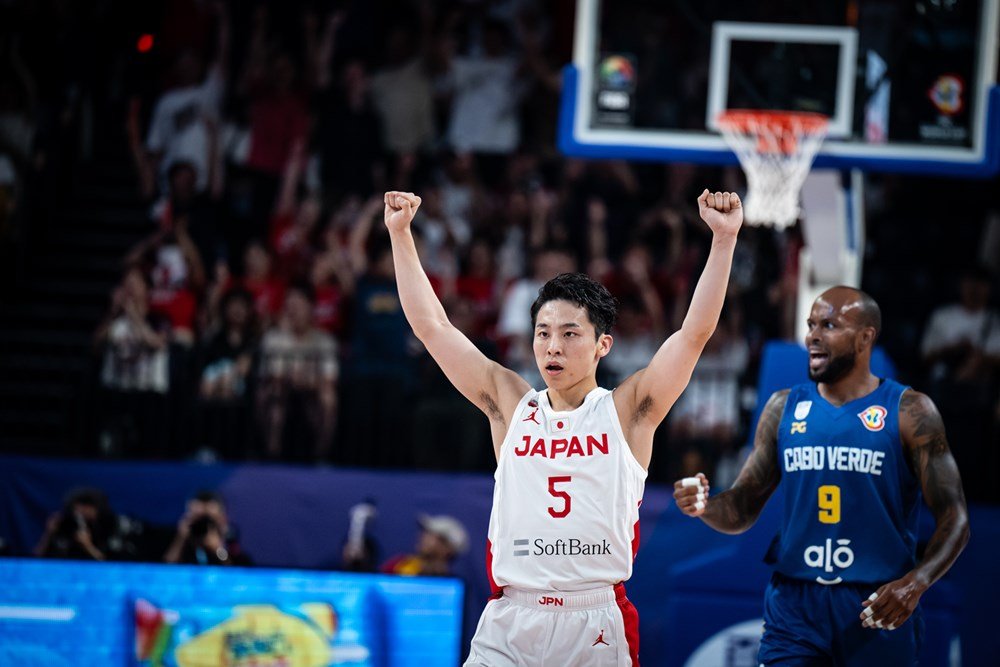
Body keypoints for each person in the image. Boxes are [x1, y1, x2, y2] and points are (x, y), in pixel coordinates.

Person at [384, 188, 743, 665]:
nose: (553, 346)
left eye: (570, 334)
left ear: (602, 345)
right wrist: (400, 234)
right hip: (511, 619)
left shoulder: (627, 410)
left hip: (593, 620)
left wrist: (723, 241)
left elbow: (694, 334)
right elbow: (433, 327)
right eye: (543, 333)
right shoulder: (511, 404)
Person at [673, 287, 971, 666]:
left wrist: (916, 583)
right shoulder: (783, 407)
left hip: (876, 603)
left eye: (829, 325)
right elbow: (743, 506)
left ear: (866, 337)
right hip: (795, 606)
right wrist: (705, 506)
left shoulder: (910, 411)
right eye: (811, 324)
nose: (812, 335)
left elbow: (955, 518)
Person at [163, 490, 252, 567]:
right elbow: (165, 568)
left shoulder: (231, 543)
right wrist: (181, 538)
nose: (203, 524)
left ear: (222, 519)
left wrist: (218, 550)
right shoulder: (177, 539)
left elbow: (238, 575)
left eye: (209, 520)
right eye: (197, 518)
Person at [381, 513, 469, 577]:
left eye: (431, 534)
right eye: (425, 532)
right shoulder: (399, 565)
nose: (423, 537)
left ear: (447, 548)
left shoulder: (454, 587)